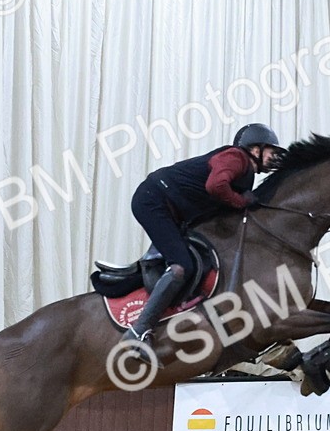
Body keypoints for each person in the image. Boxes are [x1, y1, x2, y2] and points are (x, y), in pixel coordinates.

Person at [120, 123, 283, 360]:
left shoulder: (245, 175)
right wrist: (241, 201)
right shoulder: (236, 157)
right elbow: (215, 186)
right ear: (255, 149)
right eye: (271, 150)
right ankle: (137, 332)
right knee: (180, 267)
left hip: (169, 208)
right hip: (152, 201)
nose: (274, 157)